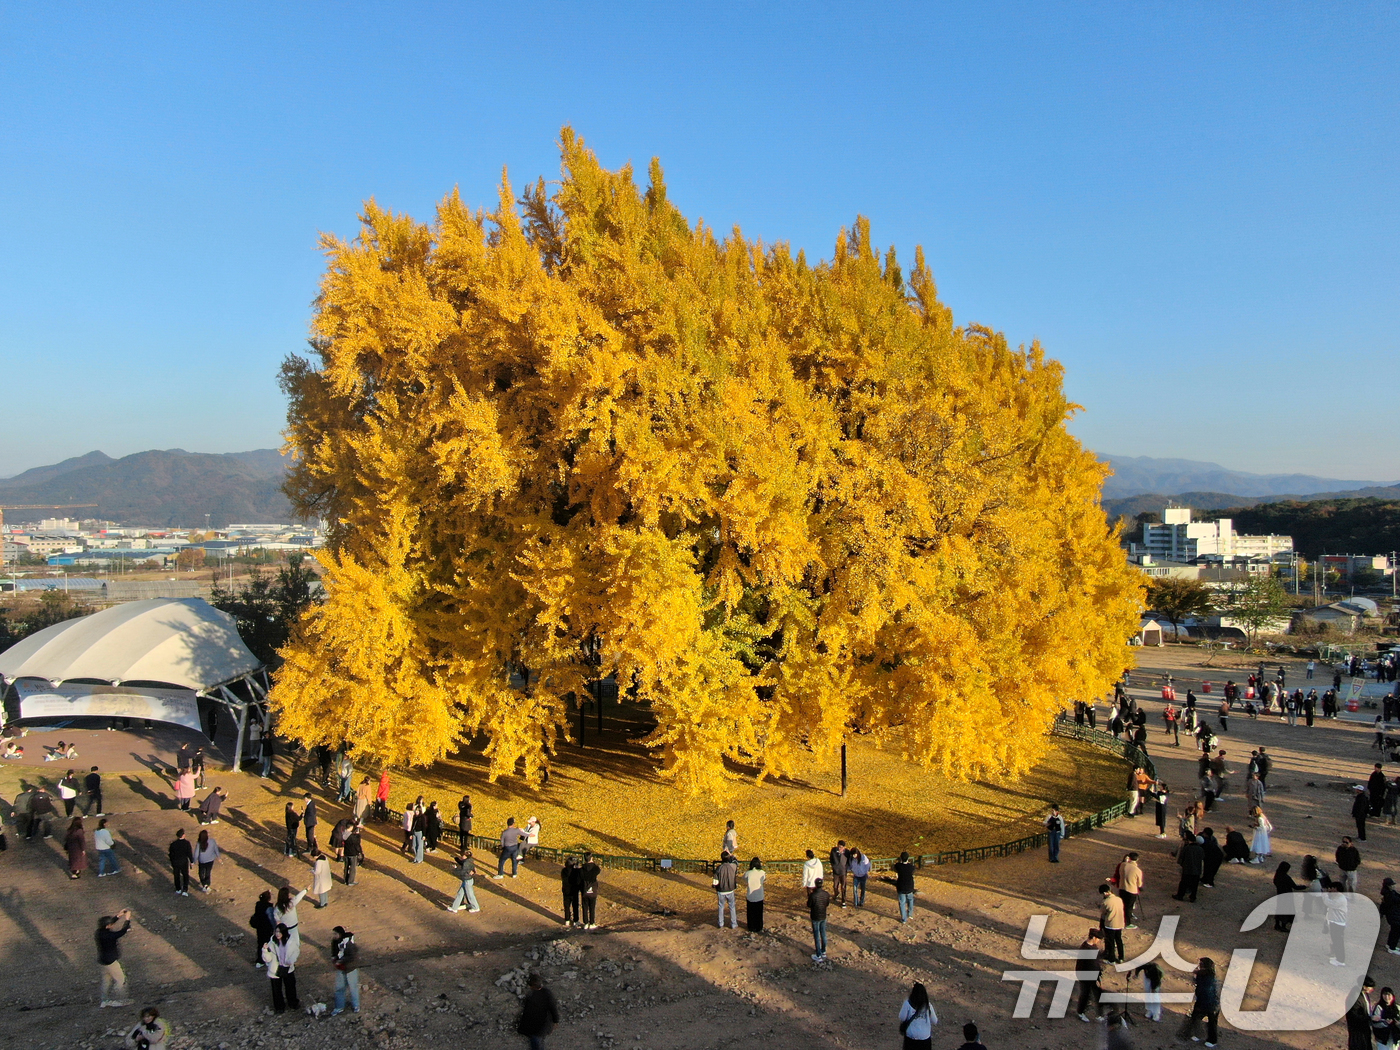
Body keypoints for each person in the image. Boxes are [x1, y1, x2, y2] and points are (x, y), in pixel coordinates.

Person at [97, 909, 134, 1007]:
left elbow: (108, 925)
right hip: (111, 962)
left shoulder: (99, 932)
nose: (112, 925)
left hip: (102, 961)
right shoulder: (109, 936)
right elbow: (122, 932)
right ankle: (119, 1000)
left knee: (106, 981)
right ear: (107, 926)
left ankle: (104, 1000)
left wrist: (118, 916)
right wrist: (127, 919)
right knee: (121, 980)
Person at [1179, 957, 1219, 1045]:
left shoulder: (1205, 977)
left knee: (1205, 1021)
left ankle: (1210, 1040)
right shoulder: (1209, 975)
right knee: (1202, 1020)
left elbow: (1203, 989)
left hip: (1207, 1003)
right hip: (1210, 1003)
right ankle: (1206, 1038)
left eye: (1200, 964)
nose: (1198, 966)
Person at [262, 923, 301, 1013]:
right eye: (276, 932)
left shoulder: (290, 941)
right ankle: (279, 1007)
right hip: (275, 968)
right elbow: (267, 959)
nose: (277, 934)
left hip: (287, 967)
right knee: (276, 989)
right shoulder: (271, 943)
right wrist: (265, 951)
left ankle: (293, 1003)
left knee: (290, 986)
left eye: (279, 932)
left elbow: (296, 951)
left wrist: (290, 961)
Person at [516, 971, 560, 1049]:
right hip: (544, 1026)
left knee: (536, 1045)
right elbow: (553, 1008)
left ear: (532, 986)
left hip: (535, 1029)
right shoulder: (547, 993)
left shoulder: (531, 997)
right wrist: (555, 1021)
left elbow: (527, 1014)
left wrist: (521, 1028)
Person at [897, 980, 938, 1049]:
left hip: (911, 1037)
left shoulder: (907, 1004)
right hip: (925, 1038)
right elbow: (934, 1021)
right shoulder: (928, 1005)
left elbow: (902, 1018)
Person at [1075, 928, 1105, 1022]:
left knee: (1093, 994)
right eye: (1098, 939)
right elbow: (1092, 965)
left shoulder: (1089, 946)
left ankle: (1098, 1014)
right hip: (1087, 975)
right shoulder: (1088, 950)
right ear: (1094, 938)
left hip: (1088, 974)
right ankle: (1081, 1012)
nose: (1099, 941)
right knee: (1086, 994)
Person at [331, 926, 360, 1015]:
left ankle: (356, 1005)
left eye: (335, 933)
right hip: (341, 969)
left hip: (350, 969)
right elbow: (334, 953)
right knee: (339, 988)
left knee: (353, 988)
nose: (334, 935)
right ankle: (339, 1007)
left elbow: (351, 956)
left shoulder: (348, 943)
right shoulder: (335, 942)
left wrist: (340, 961)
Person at [1348, 976, 1378, 1050]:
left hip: (1364, 1028)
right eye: (1370, 987)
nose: (1372, 989)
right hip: (1358, 1030)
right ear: (1364, 987)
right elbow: (1354, 1015)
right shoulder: (1354, 997)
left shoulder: (1364, 994)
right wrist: (1370, 1018)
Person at [274, 885, 308, 950]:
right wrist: (306, 890)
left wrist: (277, 921)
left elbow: (275, 915)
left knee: (285, 944)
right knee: (296, 943)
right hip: (293, 927)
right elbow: (298, 897)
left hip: (284, 929)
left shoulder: (278, 906)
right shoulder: (291, 903)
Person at [1099, 883, 1125, 963]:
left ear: (1104, 893)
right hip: (1120, 923)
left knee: (1111, 942)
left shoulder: (1106, 902)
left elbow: (1103, 913)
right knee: (1119, 940)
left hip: (1110, 925)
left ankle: (1111, 959)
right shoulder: (1119, 899)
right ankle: (1121, 957)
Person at [249, 890, 275, 968]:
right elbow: (271, 919)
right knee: (269, 944)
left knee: (260, 943)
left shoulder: (258, 905)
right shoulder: (269, 908)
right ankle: (268, 959)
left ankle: (260, 960)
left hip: (260, 928)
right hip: (267, 929)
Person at [807, 876, 831, 961]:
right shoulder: (826, 894)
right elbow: (827, 904)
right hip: (823, 916)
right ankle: (823, 951)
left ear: (815, 885)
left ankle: (818, 954)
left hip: (815, 916)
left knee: (817, 935)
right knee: (823, 933)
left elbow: (809, 905)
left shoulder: (813, 895)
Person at [1327, 880, 1350, 966]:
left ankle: (1340, 961)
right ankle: (1338, 957)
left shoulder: (1340, 899)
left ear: (1336, 889)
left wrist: (1324, 895)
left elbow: (1330, 903)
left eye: (1331, 888)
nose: (1330, 889)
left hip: (1338, 923)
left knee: (1338, 942)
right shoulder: (1337, 896)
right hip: (1335, 922)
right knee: (1335, 941)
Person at [1174, 835, 1204, 903]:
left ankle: (1180, 895)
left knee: (1183, 883)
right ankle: (1193, 897)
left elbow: (1182, 857)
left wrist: (1182, 865)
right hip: (1197, 870)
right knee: (1195, 885)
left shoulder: (1187, 848)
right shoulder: (1200, 849)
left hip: (1187, 869)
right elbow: (1202, 857)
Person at [713, 851, 739, 929]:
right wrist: (733, 857)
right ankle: (734, 923)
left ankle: (721, 923)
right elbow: (736, 863)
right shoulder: (733, 866)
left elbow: (715, 882)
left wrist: (715, 886)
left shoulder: (719, 868)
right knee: (732, 906)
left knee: (721, 906)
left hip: (721, 890)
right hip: (730, 889)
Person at [1118, 852, 1143, 928]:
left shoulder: (1123, 865)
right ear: (1137, 859)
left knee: (1122, 905)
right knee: (1129, 907)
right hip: (1131, 890)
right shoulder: (1137, 870)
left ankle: (1120, 919)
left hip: (1122, 888)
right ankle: (1127, 923)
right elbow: (1139, 884)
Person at [1272, 862, 1299, 933]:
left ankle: (1277, 924)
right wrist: (1305, 886)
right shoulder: (1286, 878)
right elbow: (1295, 887)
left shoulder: (1277, 876)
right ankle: (1283, 926)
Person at [168, 828, 193, 896]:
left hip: (175, 862)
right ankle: (185, 890)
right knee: (185, 875)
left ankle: (178, 889)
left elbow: (171, 854)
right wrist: (191, 861)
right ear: (183, 835)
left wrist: (172, 861)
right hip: (183, 862)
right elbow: (189, 853)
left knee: (176, 875)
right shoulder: (187, 843)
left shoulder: (173, 844)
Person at [579, 852, 600, 929]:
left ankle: (585, 923)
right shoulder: (595, 869)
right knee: (592, 907)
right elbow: (598, 869)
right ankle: (592, 923)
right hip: (593, 890)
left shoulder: (581, 870)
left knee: (585, 907)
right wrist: (592, 863)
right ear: (591, 858)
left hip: (584, 890)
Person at [744, 857, 766, 932]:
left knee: (751, 912)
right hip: (759, 895)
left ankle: (751, 926)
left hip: (751, 896)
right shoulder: (762, 872)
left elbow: (744, 878)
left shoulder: (748, 873)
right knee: (759, 912)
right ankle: (759, 926)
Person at [560, 856, 580, 925]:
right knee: (575, 905)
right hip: (574, 890)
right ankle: (575, 920)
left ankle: (567, 919)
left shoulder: (563, 871)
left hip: (566, 889)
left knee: (566, 905)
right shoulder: (576, 872)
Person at [343, 821, 363, 886]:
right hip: (352, 853)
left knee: (346, 866)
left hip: (346, 852)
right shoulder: (352, 837)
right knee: (352, 868)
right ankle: (350, 881)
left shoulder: (344, 834)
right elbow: (357, 843)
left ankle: (346, 880)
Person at [1382, 878, 1400, 954]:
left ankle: (1389, 945)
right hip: (1394, 916)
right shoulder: (1389, 894)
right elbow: (1397, 900)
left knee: (1393, 931)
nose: (1393, 886)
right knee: (1396, 932)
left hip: (1394, 915)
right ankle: (1392, 948)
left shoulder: (1389, 892)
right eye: (1391, 885)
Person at [829, 840, 848, 907]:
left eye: (841, 847)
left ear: (844, 847)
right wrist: (833, 866)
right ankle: (836, 894)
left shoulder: (847, 852)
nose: (839, 848)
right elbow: (831, 859)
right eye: (838, 846)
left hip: (843, 872)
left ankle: (843, 900)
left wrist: (846, 868)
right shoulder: (833, 850)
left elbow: (849, 861)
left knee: (843, 886)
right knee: (835, 886)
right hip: (835, 871)